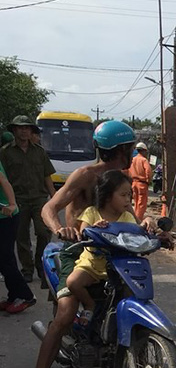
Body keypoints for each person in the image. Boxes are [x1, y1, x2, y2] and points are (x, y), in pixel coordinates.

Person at [25, 119, 138, 368]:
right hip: (77, 252)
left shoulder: (121, 178)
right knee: (64, 314)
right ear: (122, 149)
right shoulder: (85, 175)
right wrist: (61, 228)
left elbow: (131, 216)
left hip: (113, 254)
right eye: (130, 148)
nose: (132, 153)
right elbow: (49, 208)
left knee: (134, 294)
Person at [66, 171, 136, 322]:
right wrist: (94, 229)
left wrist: (151, 224)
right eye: (123, 195)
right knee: (73, 282)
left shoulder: (128, 217)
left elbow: (138, 233)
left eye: (129, 195)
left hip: (119, 268)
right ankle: (89, 305)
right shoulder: (92, 212)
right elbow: (83, 231)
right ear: (108, 195)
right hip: (91, 265)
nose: (128, 200)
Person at [0, 115, 56, 284]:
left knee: (44, 233)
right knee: (21, 236)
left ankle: (40, 265)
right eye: (20, 128)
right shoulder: (5, 152)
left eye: (27, 128)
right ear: (14, 130)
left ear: (31, 131)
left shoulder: (39, 152)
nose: (24, 131)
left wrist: (55, 199)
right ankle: (27, 269)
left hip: (39, 199)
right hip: (18, 200)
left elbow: (47, 177)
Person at [0, 160, 36, 313]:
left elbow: (3, 181)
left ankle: (26, 295)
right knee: (6, 258)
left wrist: (12, 203)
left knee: (4, 259)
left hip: (6, 216)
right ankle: (14, 296)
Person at [128, 141, 153, 222]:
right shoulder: (143, 160)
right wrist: (148, 180)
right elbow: (148, 171)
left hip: (133, 183)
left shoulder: (132, 160)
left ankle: (134, 218)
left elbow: (127, 170)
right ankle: (137, 221)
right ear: (143, 150)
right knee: (141, 204)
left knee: (136, 203)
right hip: (142, 184)